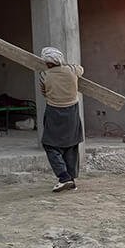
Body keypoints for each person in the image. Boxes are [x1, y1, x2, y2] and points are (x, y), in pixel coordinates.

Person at [39, 46, 84, 193]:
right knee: (71, 144)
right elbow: (81, 70)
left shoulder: (44, 75)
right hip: (72, 112)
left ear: (46, 62)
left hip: (54, 112)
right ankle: (71, 180)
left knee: (50, 144)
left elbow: (44, 92)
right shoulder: (72, 70)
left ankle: (64, 178)